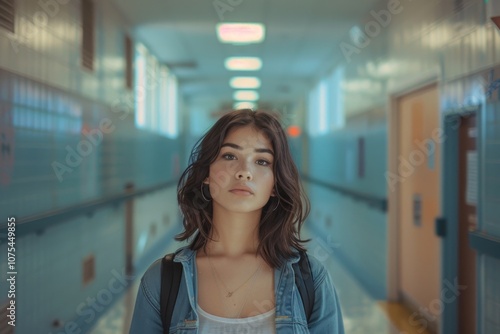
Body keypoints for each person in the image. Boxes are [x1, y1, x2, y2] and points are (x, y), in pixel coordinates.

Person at [129, 109, 344, 333]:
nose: (244, 172)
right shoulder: (163, 282)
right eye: (230, 156)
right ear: (206, 173)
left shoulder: (310, 280)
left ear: (274, 185)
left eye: (262, 161)